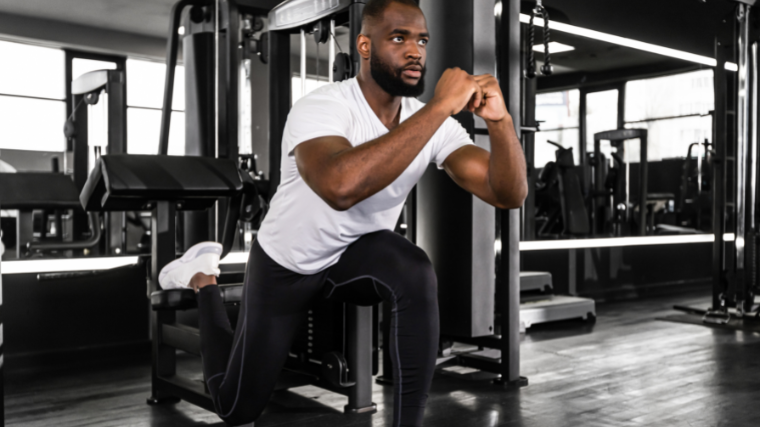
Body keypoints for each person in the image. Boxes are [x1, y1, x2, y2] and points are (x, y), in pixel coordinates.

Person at [158, 0, 527, 425]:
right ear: (365, 47)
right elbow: (340, 187)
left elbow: (508, 193)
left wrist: (500, 124)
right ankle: (203, 278)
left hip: (351, 257)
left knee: (414, 268)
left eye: (422, 40)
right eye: (399, 38)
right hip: (286, 264)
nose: (415, 51)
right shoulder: (323, 107)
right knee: (236, 407)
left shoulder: (432, 124)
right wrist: (439, 106)